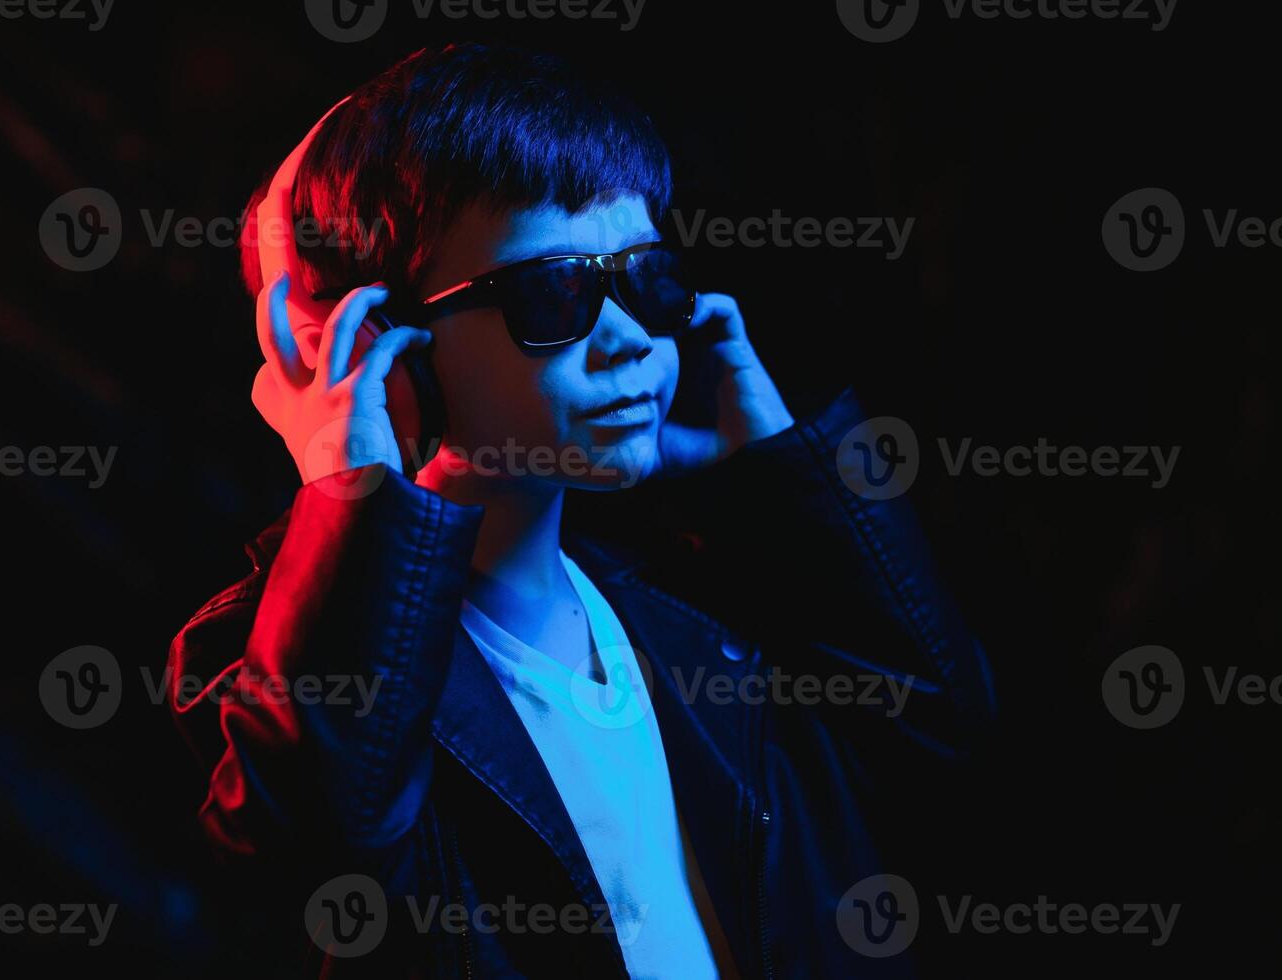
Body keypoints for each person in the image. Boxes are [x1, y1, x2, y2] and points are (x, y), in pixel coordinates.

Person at [167, 41, 997, 978]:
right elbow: (310, 866)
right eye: (552, 291)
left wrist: (780, 474)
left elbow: (943, 725)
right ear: (376, 344)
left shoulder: (700, 599)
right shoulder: (252, 659)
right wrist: (350, 490)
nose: (632, 338)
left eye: (645, 278)